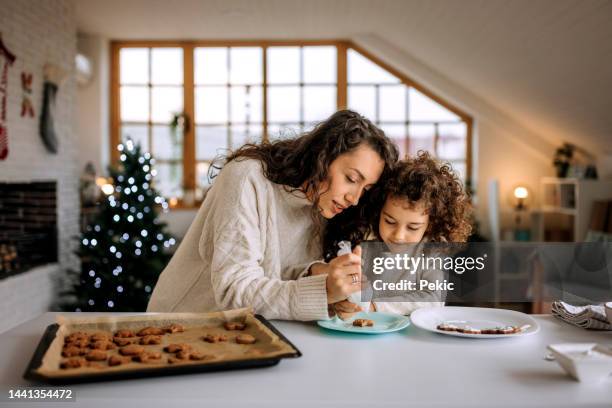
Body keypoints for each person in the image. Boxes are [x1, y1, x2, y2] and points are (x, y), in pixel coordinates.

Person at [147, 110, 399, 321]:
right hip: (181, 323)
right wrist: (323, 291)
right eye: (351, 179)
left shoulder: (323, 205)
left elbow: (281, 273)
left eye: (364, 189)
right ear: (322, 156)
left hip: (247, 331)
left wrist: (328, 285)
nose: (354, 198)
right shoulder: (246, 177)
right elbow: (234, 290)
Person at [323, 151, 472, 318]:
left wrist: (374, 307)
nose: (398, 236)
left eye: (413, 227)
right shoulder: (363, 243)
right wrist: (344, 300)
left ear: (431, 225)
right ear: (378, 212)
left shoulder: (432, 251)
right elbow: (354, 293)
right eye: (390, 222)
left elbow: (432, 299)